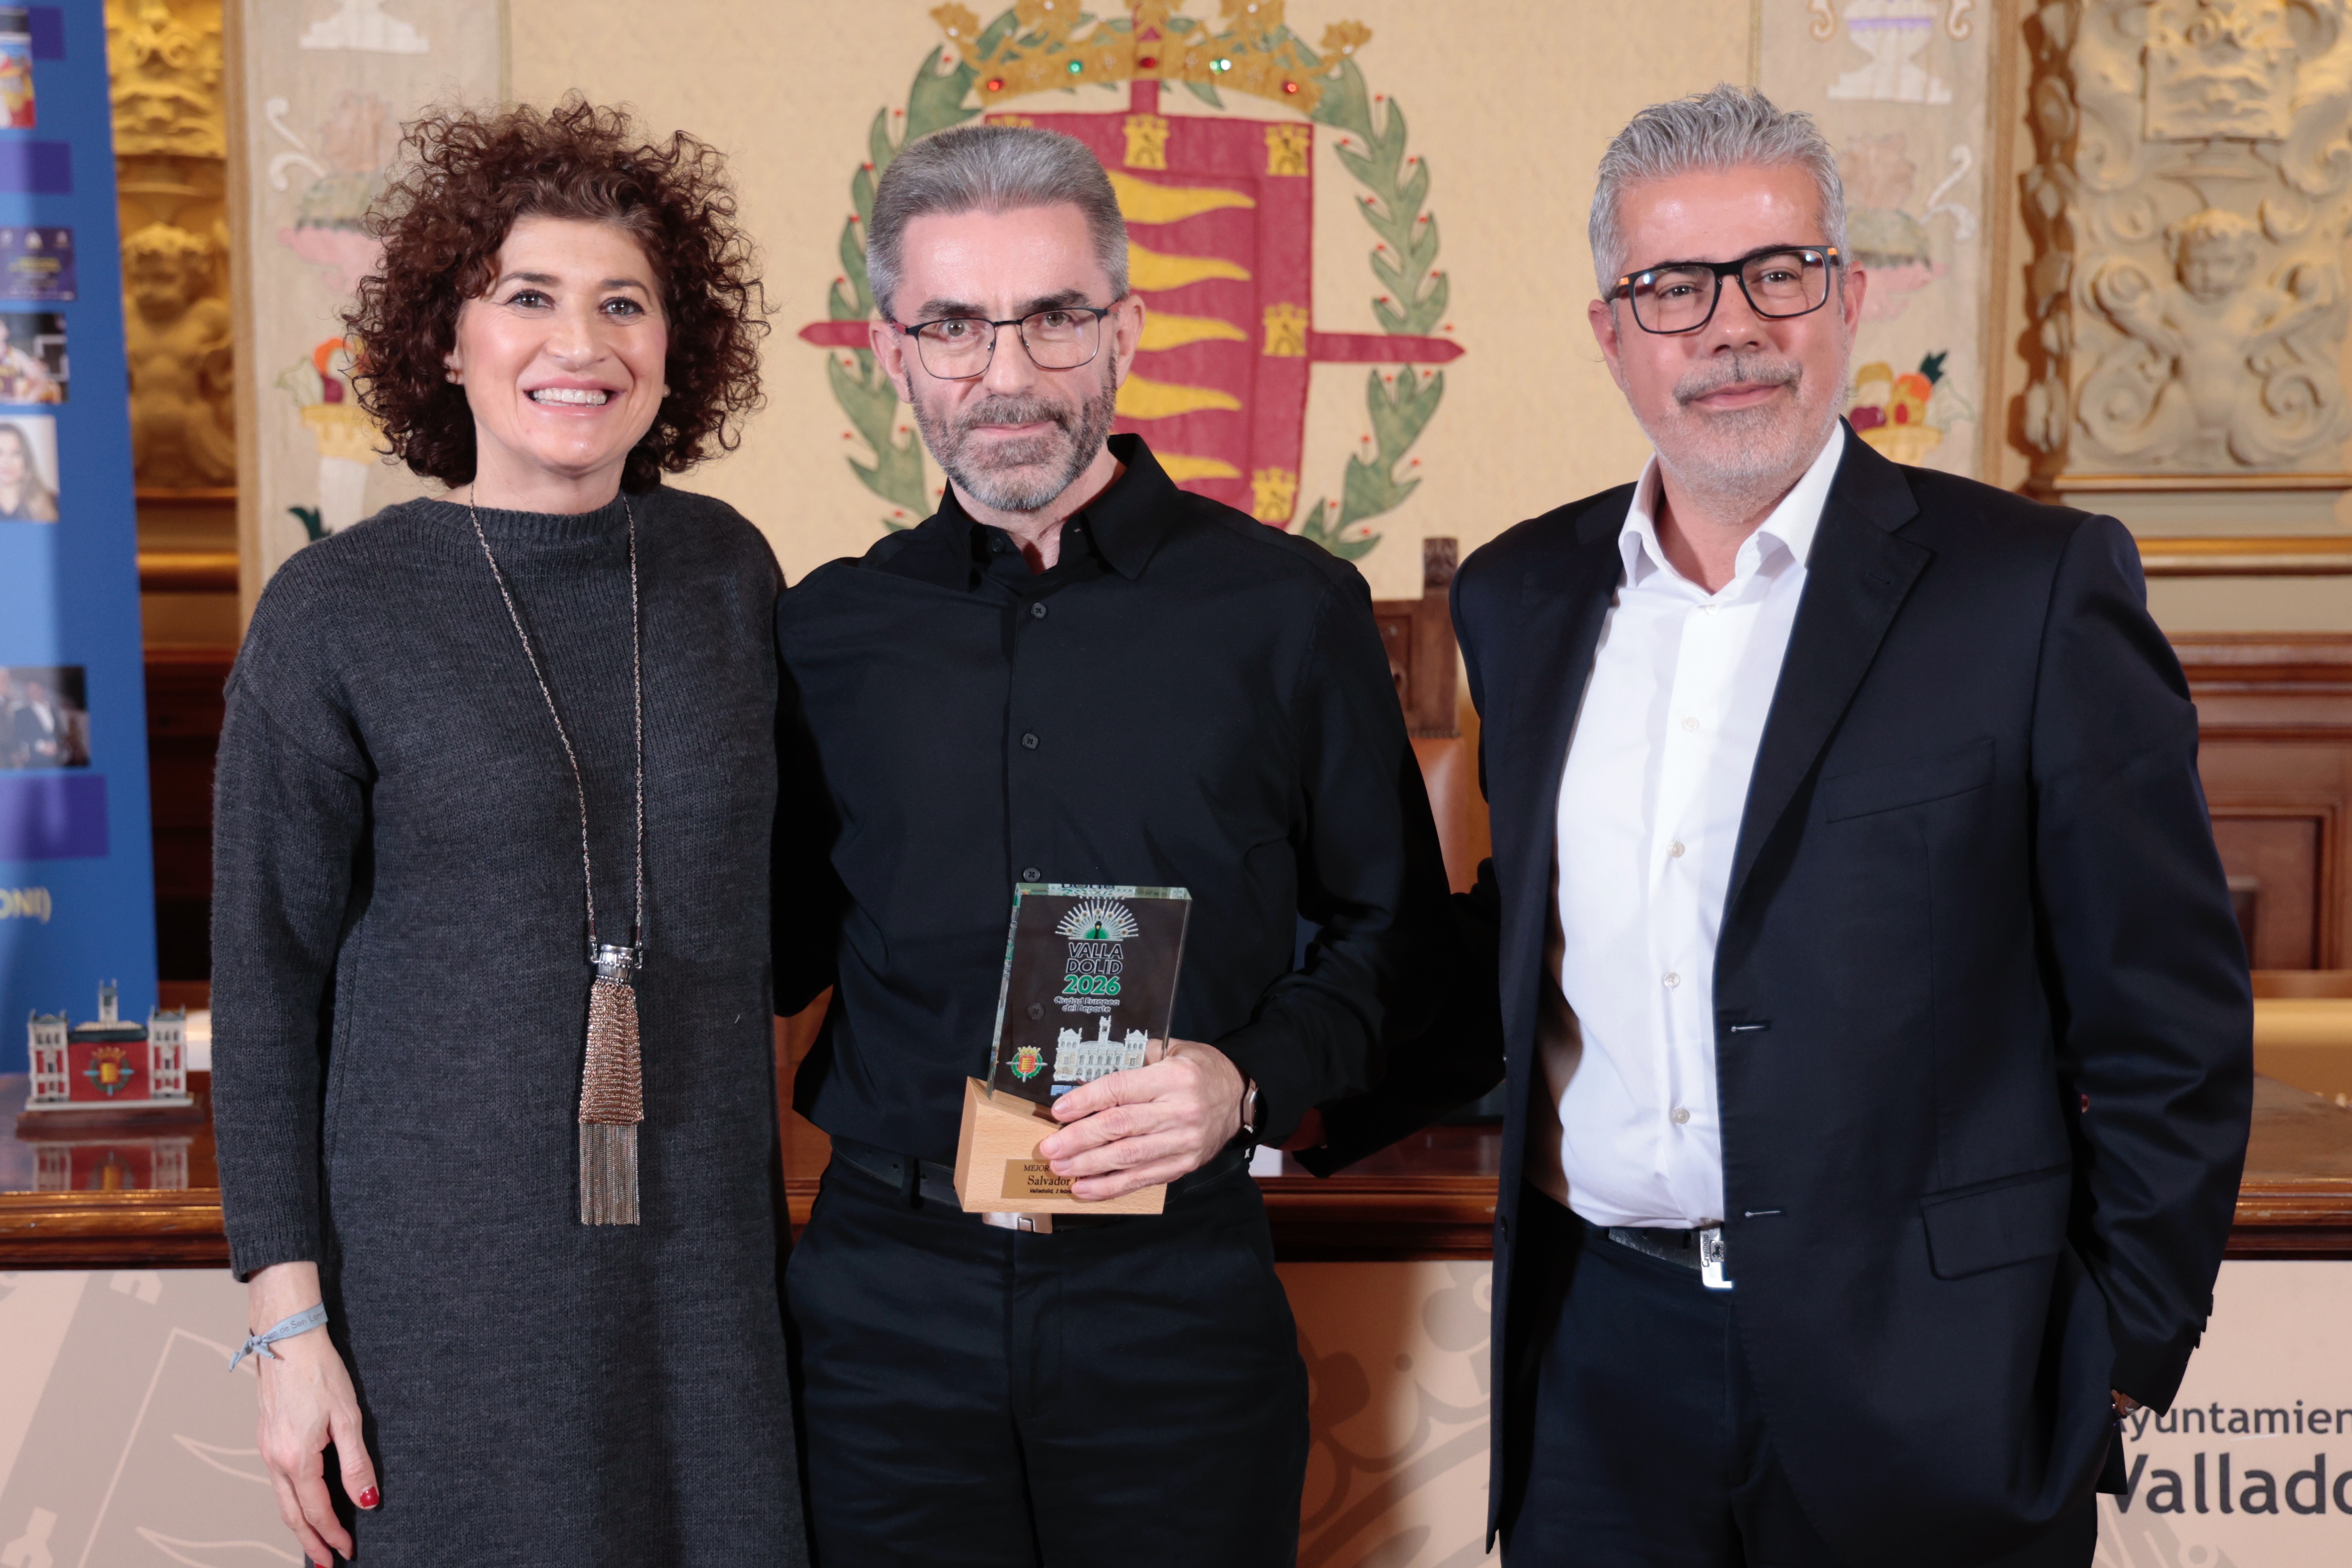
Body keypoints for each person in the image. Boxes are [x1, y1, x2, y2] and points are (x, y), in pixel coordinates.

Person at [1368, 86, 2251, 1567]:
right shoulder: (1523, 595)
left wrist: (2113, 1359)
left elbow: (2167, 1018)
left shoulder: (2028, 592)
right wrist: (1274, 1068)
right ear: (1613, 331)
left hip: (1937, 1381)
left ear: (1847, 298)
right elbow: (1527, 930)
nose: (1732, 328)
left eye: (1779, 273)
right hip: (1599, 1364)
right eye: (1672, 287)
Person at [773, 122, 1454, 1567]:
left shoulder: (1288, 610)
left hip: (1172, 1295)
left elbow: (1398, 941)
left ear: (1125, 330)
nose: (1004, 375)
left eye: (1053, 318)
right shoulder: (824, 631)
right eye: (953, 325)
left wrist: (1248, 1076)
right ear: (889, 351)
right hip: (884, 1305)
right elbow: (763, 950)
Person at [210, 99, 801, 1568]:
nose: (578, 341)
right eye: (526, 297)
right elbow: (268, 993)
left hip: (707, 1281)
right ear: (449, 339)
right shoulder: (338, 611)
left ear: (678, 344)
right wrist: (287, 1333)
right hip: (445, 1294)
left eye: (623, 302)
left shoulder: (729, 572)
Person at [0, 421, 58, 520]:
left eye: (16, 453)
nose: (7, 461)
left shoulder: (52, 502)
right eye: (0, 453)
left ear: (26, 460)